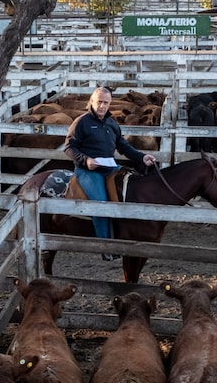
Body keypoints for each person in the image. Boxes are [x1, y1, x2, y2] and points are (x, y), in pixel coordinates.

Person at [64, 86, 156, 261]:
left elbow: (123, 146)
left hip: (110, 168)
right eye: (99, 102)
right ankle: (106, 246)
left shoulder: (111, 123)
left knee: (131, 190)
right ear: (91, 101)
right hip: (88, 171)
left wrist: (142, 157)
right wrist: (86, 161)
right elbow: (69, 147)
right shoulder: (81, 122)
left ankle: (126, 236)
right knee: (101, 203)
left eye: (106, 103)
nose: (102, 106)